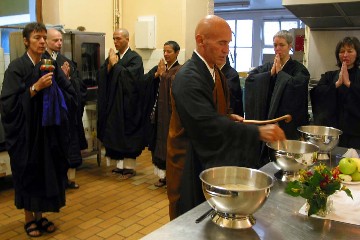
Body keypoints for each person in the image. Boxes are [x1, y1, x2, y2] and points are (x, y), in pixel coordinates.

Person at [166, 15, 286, 220]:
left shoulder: (214, 71)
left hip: (206, 158)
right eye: (221, 43)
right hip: (188, 160)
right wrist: (256, 131)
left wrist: (227, 116)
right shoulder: (187, 77)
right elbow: (206, 124)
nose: (226, 49)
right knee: (189, 219)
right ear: (200, 40)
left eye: (228, 43)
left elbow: (211, 112)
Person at [0, 22, 77, 237]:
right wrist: (35, 88)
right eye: (37, 38)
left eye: (44, 37)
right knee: (28, 174)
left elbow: (70, 94)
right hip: (26, 135)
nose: (42, 41)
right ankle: (28, 219)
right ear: (26, 41)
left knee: (46, 174)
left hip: (47, 135)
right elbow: (8, 104)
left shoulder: (50, 64)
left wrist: (64, 82)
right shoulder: (16, 68)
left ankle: (41, 216)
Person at [245, 30, 310, 165]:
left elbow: (297, 88)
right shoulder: (268, 67)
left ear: (290, 46)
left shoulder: (299, 69)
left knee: (284, 160)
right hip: (267, 120)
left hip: (286, 124)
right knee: (265, 161)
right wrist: (269, 74)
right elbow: (250, 79)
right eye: (275, 45)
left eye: (282, 45)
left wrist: (280, 74)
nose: (278, 49)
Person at [97, 28, 144, 179]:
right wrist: (109, 66)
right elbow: (102, 74)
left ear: (127, 39)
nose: (116, 42)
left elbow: (130, 79)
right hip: (113, 105)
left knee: (127, 134)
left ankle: (129, 168)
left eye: (118, 39)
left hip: (128, 105)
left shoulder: (135, 58)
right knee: (114, 133)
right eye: (114, 39)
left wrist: (115, 66)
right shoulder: (113, 57)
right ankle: (119, 166)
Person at [45, 28, 88, 189]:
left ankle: (69, 179)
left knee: (69, 144)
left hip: (67, 113)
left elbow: (79, 86)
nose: (59, 43)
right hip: (51, 114)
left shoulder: (66, 61)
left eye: (61, 40)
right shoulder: (43, 61)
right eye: (55, 40)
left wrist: (68, 79)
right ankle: (55, 180)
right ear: (46, 41)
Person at [310, 36, 360, 149]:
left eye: (350, 51)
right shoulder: (329, 76)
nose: (345, 55)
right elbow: (317, 94)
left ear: (357, 54)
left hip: (356, 136)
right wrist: (336, 84)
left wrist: (348, 84)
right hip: (332, 135)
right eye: (342, 51)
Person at [144, 41, 181, 187]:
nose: (166, 54)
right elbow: (145, 81)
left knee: (169, 144)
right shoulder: (161, 68)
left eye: (169, 51)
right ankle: (163, 176)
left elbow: (174, 86)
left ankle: (171, 177)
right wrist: (156, 74)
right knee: (157, 142)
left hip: (170, 115)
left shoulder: (179, 70)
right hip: (158, 113)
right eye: (164, 51)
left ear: (177, 53)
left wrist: (163, 75)